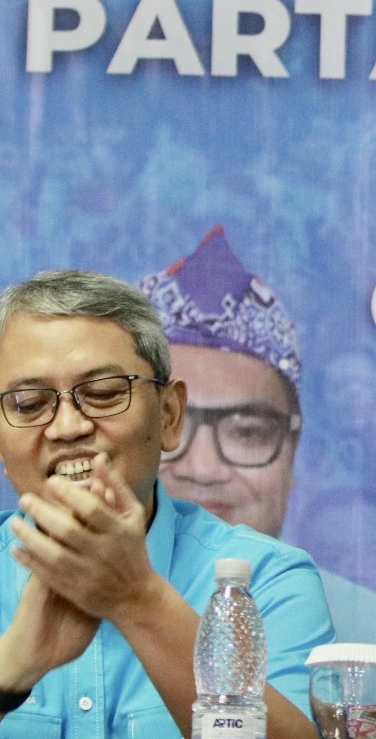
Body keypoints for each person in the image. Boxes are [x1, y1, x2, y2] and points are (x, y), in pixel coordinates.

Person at [138, 227, 376, 739]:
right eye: (170, 427)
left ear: (295, 453)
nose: (202, 468)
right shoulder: (54, 621)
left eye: (247, 432)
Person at [0, 268, 332, 737]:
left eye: (103, 394)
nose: (68, 427)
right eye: (29, 403)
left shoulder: (265, 580)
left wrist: (137, 599)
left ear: (170, 415)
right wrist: (11, 671)